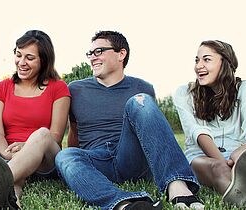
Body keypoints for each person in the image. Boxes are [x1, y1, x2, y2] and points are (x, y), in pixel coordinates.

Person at [55, 31, 204, 210]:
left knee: (140, 101)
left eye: (99, 51)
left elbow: (151, 130)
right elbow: (75, 132)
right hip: (98, 161)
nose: (93, 58)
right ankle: (124, 203)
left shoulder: (143, 88)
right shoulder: (76, 89)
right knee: (65, 155)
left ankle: (177, 185)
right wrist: (76, 167)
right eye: (90, 53)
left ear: (121, 54)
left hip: (131, 158)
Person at [0, 30, 70, 209]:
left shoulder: (59, 88)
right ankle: (11, 202)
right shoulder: (1, 88)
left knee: (42, 133)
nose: (21, 62)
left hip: (46, 161)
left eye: (30, 58)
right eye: (18, 55)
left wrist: (27, 147)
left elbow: (55, 135)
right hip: (10, 156)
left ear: (44, 60)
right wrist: (9, 154)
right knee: (12, 181)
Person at [173, 40, 246, 209]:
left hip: (238, 154)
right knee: (218, 168)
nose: (199, 66)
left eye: (206, 59)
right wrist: (226, 163)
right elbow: (197, 132)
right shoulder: (184, 93)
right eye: (196, 60)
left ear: (225, 62)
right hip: (200, 156)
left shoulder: (245, 88)